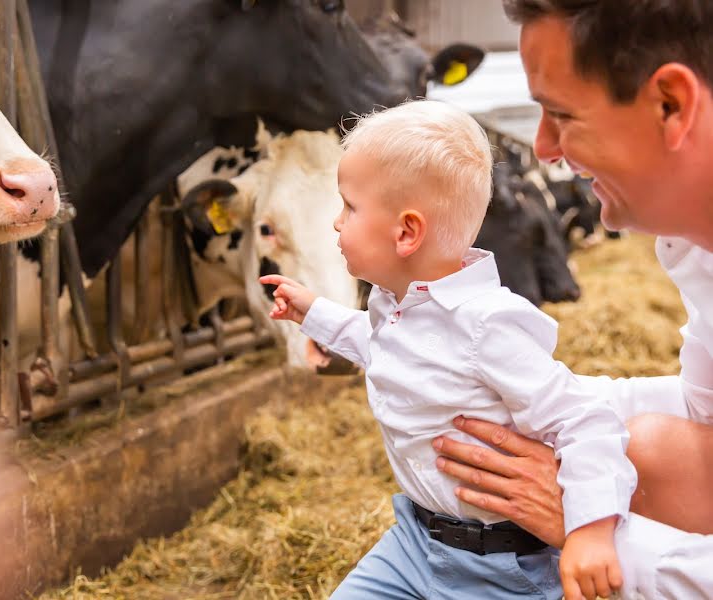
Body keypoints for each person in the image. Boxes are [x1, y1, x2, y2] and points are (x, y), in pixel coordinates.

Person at [261, 99, 636, 600]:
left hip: (504, 569)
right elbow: (377, 347)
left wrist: (590, 527)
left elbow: (584, 419)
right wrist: (313, 311)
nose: (336, 222)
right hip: (414, 542)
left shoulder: (488, 324)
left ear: (407, 232)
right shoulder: (396, 306)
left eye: (349, 206)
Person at [430, 2, 713, 598]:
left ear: (671, 105)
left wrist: (585, 527)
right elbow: (702, 407)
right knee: (642, 445)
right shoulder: (695, 246)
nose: (545, 148)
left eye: (560, 114)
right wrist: (530, 394)